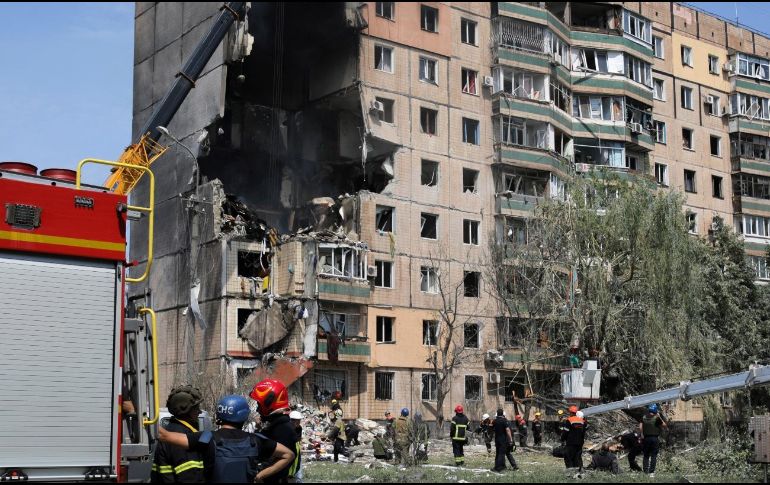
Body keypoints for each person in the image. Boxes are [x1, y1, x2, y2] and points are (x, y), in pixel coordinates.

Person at [157, 395, 295, 483]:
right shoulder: (255, 440)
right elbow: (288, 455)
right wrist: (261, 475)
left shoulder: (207, 437)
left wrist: (143, 418)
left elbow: (164, 435)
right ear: (244, 416)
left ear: (219, 415)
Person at [152, 385, 206, 483]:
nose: (199, 411)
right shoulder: (181, 437)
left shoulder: (172, 430)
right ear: (186, 410)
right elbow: (189, 477)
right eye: (196, 407)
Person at [250, 379, 297, 482]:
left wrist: (259, 475)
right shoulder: (275, 425)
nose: (257, 410)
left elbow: (283, 460)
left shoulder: (283, 429)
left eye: (259, 405)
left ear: (269, 403)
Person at [640, 404, 668, 476]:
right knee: (653, 455)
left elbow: (640, 427)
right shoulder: (656, 418)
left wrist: (642, 434)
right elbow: (664, 425)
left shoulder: (643, 417)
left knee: (646, 455)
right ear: (655, 410)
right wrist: (659, 416)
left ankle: (645, 471)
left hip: (646, 438)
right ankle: (651, 472)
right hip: (654, 438)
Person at [563, 405, 586, 471]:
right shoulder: (582, 421)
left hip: (571, 442)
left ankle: (570, 472)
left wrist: (562, 439)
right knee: (578, 457)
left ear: (570, 412)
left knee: (568, 457)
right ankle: (580, 471)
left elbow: (566, 432)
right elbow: (583, 432)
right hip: (580, 443)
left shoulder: (569, 420)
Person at [288, 411, 303, 483]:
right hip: (289, 450)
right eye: (297, 420)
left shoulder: (299, 428)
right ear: (291, 420)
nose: (299, 422)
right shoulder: (287, 428)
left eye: (299, 420)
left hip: (297, 451)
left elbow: (298, 440)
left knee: (298, 469)